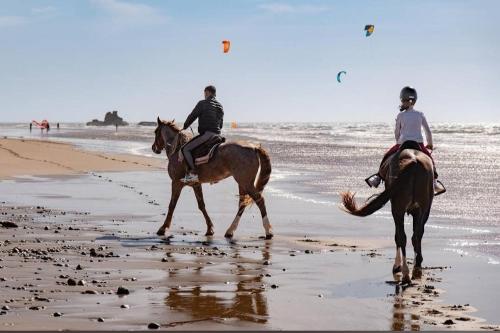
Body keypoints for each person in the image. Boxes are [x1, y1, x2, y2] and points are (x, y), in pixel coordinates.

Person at [365, 86, 446, 195]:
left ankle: (378, 177)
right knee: (430, 160)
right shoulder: (420, 114)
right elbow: (427, 131)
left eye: (402, 101)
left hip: (402, 143)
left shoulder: (400, 115)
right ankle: (434, 182)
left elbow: (397, 132)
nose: (402, 103)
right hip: (418, 144)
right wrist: (430, 144)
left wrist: (398, 142)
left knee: (387, 156)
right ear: (414, 101)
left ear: (404, 100)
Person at [180, 85, 224, 183]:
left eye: (204, 93)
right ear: (214, 93)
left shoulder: (202, 103)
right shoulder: (220, 106)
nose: (204, 95)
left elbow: (193, 116)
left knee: (185, 149)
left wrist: (185, 126)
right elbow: (220, 124)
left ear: (207, 92)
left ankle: (193, 173)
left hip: (207, 135)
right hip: (218, 136)